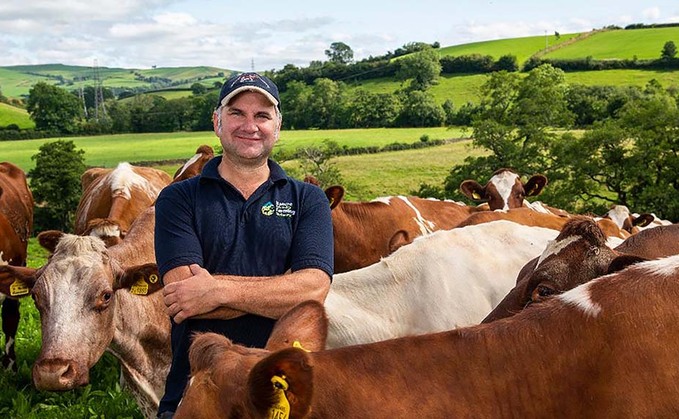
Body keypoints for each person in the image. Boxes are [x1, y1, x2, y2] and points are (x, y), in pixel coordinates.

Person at [154, 72, 334, 418]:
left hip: (283, 391)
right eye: (236, 113)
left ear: (277, 127)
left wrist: (216, 290)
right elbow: (183, 297)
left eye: (262, 115)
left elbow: (313, 290)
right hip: (199, 387)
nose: (249, 125)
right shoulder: (178, 199)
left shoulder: (308, 199)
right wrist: (281, 290)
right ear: (217, 121)